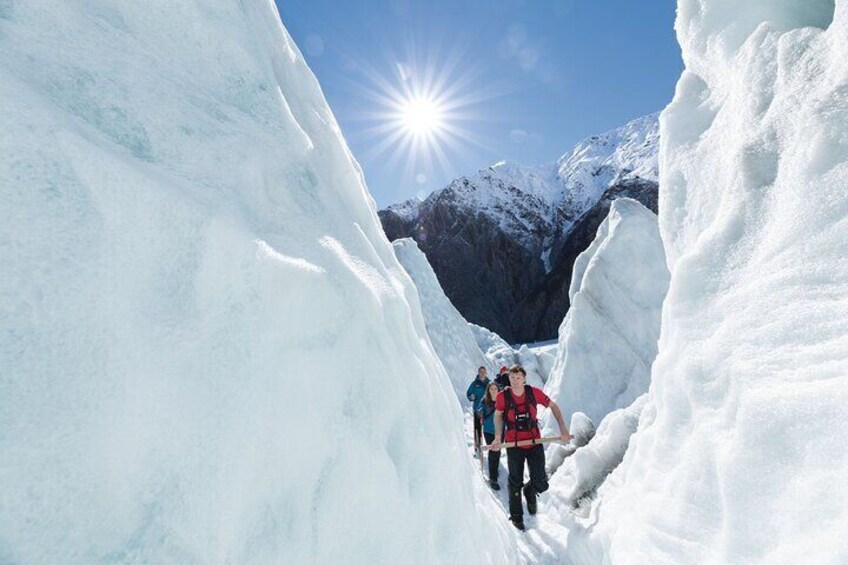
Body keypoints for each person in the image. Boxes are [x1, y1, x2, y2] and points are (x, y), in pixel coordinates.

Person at [492, 365, 570, 531]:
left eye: (518, 378)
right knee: (515, 482)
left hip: (534, 442)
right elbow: (498, 415)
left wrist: (562, 427)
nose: (515, 381)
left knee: (541, 482)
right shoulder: (502, 397)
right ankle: (516, 517)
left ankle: (530, 491)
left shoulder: (533, 392)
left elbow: (553, 406)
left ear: (524, 378)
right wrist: (498, 436)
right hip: (514, 444)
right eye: (512, 378)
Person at [479, 382, 503, 490]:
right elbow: (479, 410)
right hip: (488, 431)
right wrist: (480, 414)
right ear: (488, 390)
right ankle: (493, 478)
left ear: (498, 390)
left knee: (497, 452)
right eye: (491, 389)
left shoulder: (502, 401)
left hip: (500, 431)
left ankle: (495, 469)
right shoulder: (484, 401)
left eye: (495, 388)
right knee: (493, 451)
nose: (493, 390)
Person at [465, 366, 490, 447]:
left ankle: (490, 445)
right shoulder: (474, 384)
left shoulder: (489, 383)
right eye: (481, 372)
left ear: (486, 373)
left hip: (488, 410)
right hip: (477, 409)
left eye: (484, 372)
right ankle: (478, 446)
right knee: (477, 428)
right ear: (478, 373)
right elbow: (468, 393)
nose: (482, 373)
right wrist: (471, 397)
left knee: (488, 428)